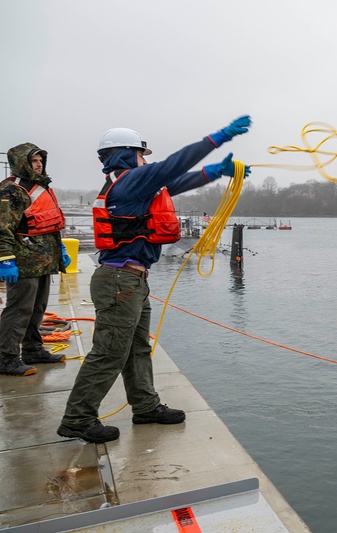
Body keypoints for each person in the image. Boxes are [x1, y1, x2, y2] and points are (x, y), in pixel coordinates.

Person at [57, 116, 252, 444]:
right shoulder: (129, 182)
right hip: (121, 281)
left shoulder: (134, 185)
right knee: (110, 351)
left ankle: (145, 406)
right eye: (141, 154)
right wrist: (218, 137)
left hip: (131, 280)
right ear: (124, 154)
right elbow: (172, 167)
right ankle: (77, 417)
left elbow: (176, 182)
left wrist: (218, 171)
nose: (145, 160)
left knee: (136, 348)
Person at [0, 143, 72, 376]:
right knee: (19, 309)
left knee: (37, 307)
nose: (39, 165)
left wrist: (60, 249)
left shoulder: (42, 188)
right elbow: (2, 228)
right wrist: (5, 259)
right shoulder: (11, 190)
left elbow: (50, 224)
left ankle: (33, 349)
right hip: (23, 262)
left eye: (41, 160)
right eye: (34, 161)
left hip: (43, 261)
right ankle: (6, 358)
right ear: (22, 163)